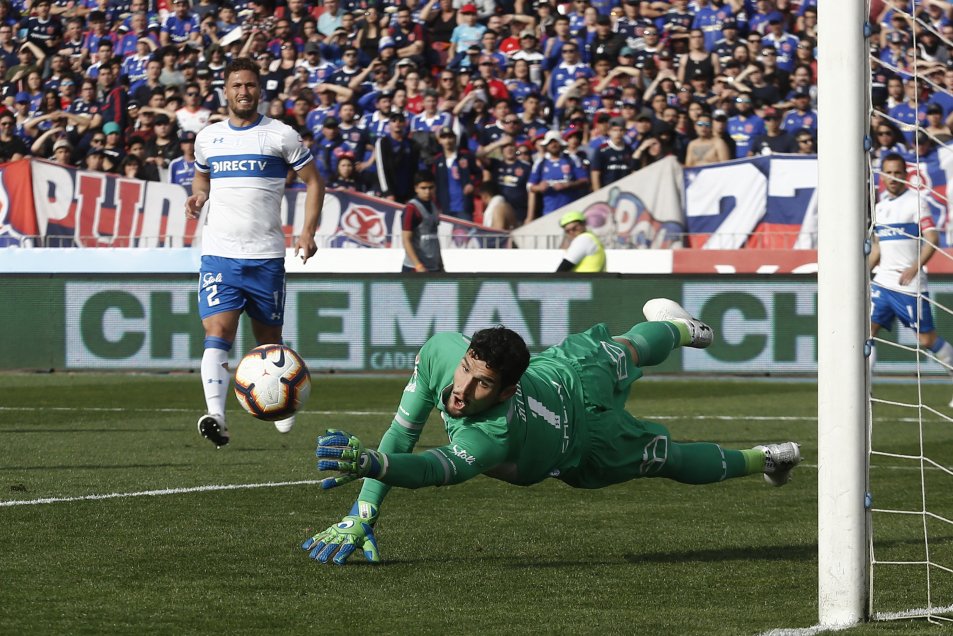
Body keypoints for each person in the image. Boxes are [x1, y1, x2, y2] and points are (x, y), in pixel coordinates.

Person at [301, 298, 802, 564]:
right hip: (573, 404)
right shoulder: (440, 352)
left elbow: (432, 468)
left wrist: (372, 464)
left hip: (583, 424)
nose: (463, 390)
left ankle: (683, 329)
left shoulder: (489, 434)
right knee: (651, 417)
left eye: (482, 385)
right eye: (466, 371)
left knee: (635, 372)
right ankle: (769, 456)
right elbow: (403, 432)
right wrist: (362, 511)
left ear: (505, 391)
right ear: (463, 353)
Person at [184, 57, 325, 447]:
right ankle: (216, 415)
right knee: (217, 332)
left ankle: (284, 403)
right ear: (225, 91)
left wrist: (307, 231)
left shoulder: (281, 135)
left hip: (265, 255)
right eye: (236, 85)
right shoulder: (208, 137)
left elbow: (315, 183)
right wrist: (199, 194)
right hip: (219, 255)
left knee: (269, 345)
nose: (243, 91)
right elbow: (201, 174)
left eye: (249, 85)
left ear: (259, 90)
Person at [869, 153, 953, 405]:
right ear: (881, 175)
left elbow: (932, 238)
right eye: (889, 173)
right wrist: (862, 275)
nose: (893, 178)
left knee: (926, 340)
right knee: (865, 334)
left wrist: (914, 268)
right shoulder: (880, 207)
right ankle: (865, 392)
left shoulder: (917, 202)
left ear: (906, 175)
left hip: (909, 285)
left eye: (898, 173)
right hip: (882, 282)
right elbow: (877, 249)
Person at [400, 170, 444, 273]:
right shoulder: (411, 208)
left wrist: (441, 264)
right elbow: (406, 239)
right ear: (416, 188)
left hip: (434, 266)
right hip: (415, 268)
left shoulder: (434, 206)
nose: (427, 192)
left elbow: (434, 238)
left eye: (430, 187)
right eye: (423, 188)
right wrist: (418, 265)